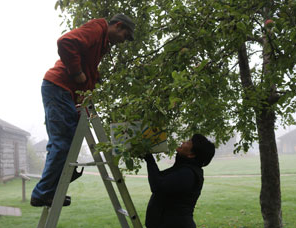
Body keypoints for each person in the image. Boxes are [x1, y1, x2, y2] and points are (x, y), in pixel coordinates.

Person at [31, 13, 135, 207]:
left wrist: (88, 87)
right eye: (125, 36)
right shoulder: (98, 28)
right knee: (62, 143)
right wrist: (76, 72)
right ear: (118, 26)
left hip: (65, 92)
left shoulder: (102, 42)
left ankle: (51, 190)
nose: (123, 42)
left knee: (67, 143)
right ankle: (42, 193)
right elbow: (65, 42)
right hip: (59, 87)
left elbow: (88, 70)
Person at [143, 134, 215, 228]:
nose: (183, 142)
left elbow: (157, 186)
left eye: (189, 142)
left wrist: (149, 158)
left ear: (191, 154)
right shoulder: (183, 168)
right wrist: (147, 156)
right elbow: (159, 178)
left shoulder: (188, 173)